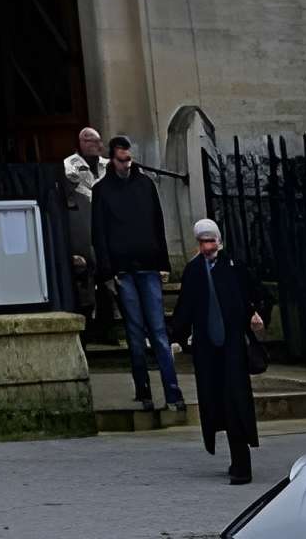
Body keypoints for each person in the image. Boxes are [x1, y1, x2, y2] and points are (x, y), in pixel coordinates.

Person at [170, 217, 266, 487]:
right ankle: (236, 458)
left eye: (210, 240)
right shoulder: (194, 271)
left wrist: (255, 314)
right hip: (208, 348)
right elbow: (185, 306)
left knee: (235, 401)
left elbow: (249, 295)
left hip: (232, 345)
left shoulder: (234, 267)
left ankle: (241, 462)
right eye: (202, 241)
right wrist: (177, 336)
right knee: (217, 401)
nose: (206, 246)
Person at [93, 135, 185, 413]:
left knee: (158, 330)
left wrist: (163, 264)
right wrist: (107, 271)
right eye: (121, 160)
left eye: (129, 159)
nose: (126, 165)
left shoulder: (145, 185)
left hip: (146, 264)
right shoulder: (102, 190)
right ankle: (143, 387)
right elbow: (99, 233)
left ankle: (172, 390)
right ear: (112, 159)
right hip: (123, 267)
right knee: (135, 331)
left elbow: (158, 223)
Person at [62, 126, 108, 328]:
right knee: (85, 276)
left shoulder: (107, 165)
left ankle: (107, 324)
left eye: (99, 141)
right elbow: (75, 188)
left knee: (107, 278)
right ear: (82, 143)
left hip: (106, 226)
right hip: (82, 225)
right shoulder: (70, 164)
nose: (98, 145)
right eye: (92, 141)